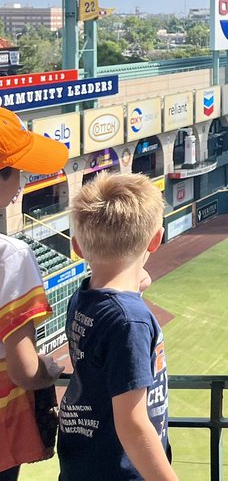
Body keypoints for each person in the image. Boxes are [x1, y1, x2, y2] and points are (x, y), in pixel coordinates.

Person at [57, 173, 175, 481]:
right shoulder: (130, 321)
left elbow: (130, 283)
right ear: (156, 239)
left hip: (83, 464)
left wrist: (136, 280)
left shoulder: (85, 296)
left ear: (77, 247)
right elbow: (133, 426)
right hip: (119, 472)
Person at [0, 106, 70, 481]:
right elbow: (25, 371)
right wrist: (50, 369)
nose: (22, 184)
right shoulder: (10, 256)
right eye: (19, 172)